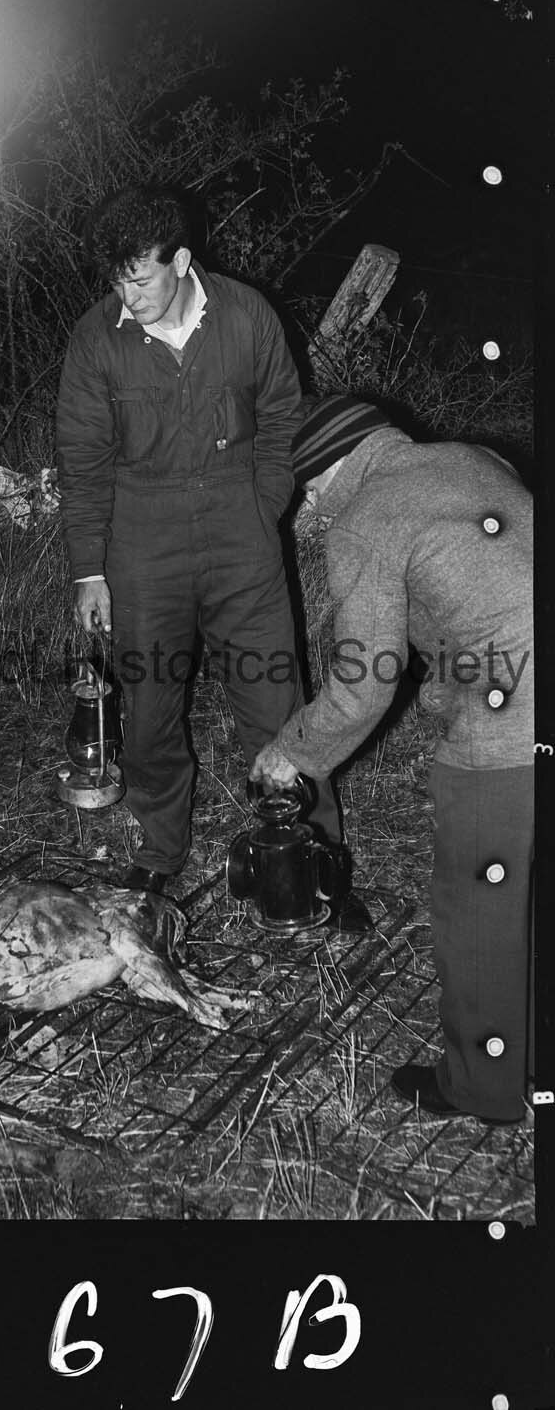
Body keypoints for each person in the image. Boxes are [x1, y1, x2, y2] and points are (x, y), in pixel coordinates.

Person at [251, 394, 533, 1126]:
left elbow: (363, 678)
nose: (308, 512)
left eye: (307, 494)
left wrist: (293, 752)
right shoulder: (472, 458)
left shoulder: (362, 516)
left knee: (479, 916)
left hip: (512, 734)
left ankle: (483, 1089)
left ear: (328, 476)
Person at [55, 183, 342, 895]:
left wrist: (262, 504)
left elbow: (281, 418)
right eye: (116, 277)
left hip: (239, 533)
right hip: (141, 542)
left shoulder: (245, 315)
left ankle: (312, 862)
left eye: (141, 275)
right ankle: (160, 852)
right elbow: (83, 464)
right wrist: (88, 568)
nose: (129, 293)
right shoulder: (96, 338)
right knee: (149, 712)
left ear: (181, 260)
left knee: (277, 705)